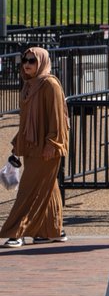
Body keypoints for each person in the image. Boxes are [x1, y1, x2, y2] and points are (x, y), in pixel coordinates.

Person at [3, 48, 69, 247]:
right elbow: (26, 121)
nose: (27, 64)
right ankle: (52, 230)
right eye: (24, 60)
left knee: (28, 189)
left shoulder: (50, 84)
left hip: (46, 148)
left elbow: (58, 117)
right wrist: (18, 144)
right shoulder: (28, 85)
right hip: (31, 146)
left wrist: (53, 143)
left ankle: (17, 232)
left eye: (32, 60)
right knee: (47, 188)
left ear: (41, 61)